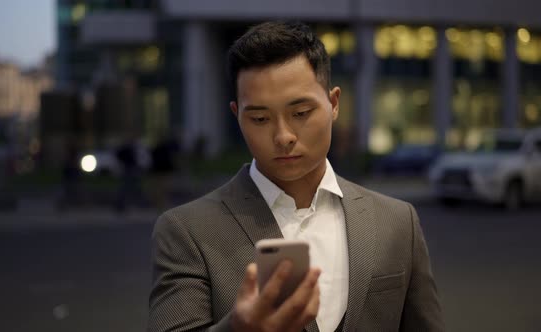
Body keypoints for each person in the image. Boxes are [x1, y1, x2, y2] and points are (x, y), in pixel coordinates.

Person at [148, 21, 444, 332]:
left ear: (333, 104)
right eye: (260, 118)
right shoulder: (187, 231)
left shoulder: (397, 221)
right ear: (237, 116)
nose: (283, 136)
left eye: (301, 113)